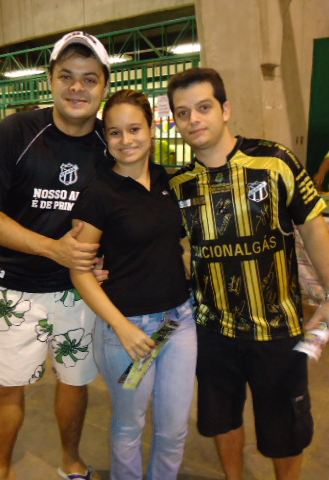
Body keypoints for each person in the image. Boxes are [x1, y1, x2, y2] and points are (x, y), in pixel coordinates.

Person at [167, 68, 329, 480]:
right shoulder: (178, 185)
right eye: (182, 113)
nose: (193, 119)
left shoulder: (275, 161)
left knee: (286, 428)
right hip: (212, 331)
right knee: (221, 418)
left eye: (203, 107)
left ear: (225, 109)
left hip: (277, 329)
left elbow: (313, 227)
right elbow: (161, 245)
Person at [0, 31, 111, 480]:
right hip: (13, 288)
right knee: (7, 387)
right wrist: (52, 248)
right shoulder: (17, 132)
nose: (77, 88)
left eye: (89, 79)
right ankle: (0, 470)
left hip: (78, 294)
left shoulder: (112, 143)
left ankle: (70, 460)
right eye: (66, 76)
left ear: (105, 86)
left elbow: (128, 210)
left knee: (75, 382)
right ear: (49, 80)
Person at [70, 90, 197, 480]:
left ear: (152, 129)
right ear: (105, 138)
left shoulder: (169, 181)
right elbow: (79, 272)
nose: (126, 141)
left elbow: (181, 241)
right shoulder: (99, 193)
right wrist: (123, 328)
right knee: (130, 425)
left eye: (134, 129)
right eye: (114, 133)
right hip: (129, 334)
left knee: (174, 427)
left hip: (177, 324)